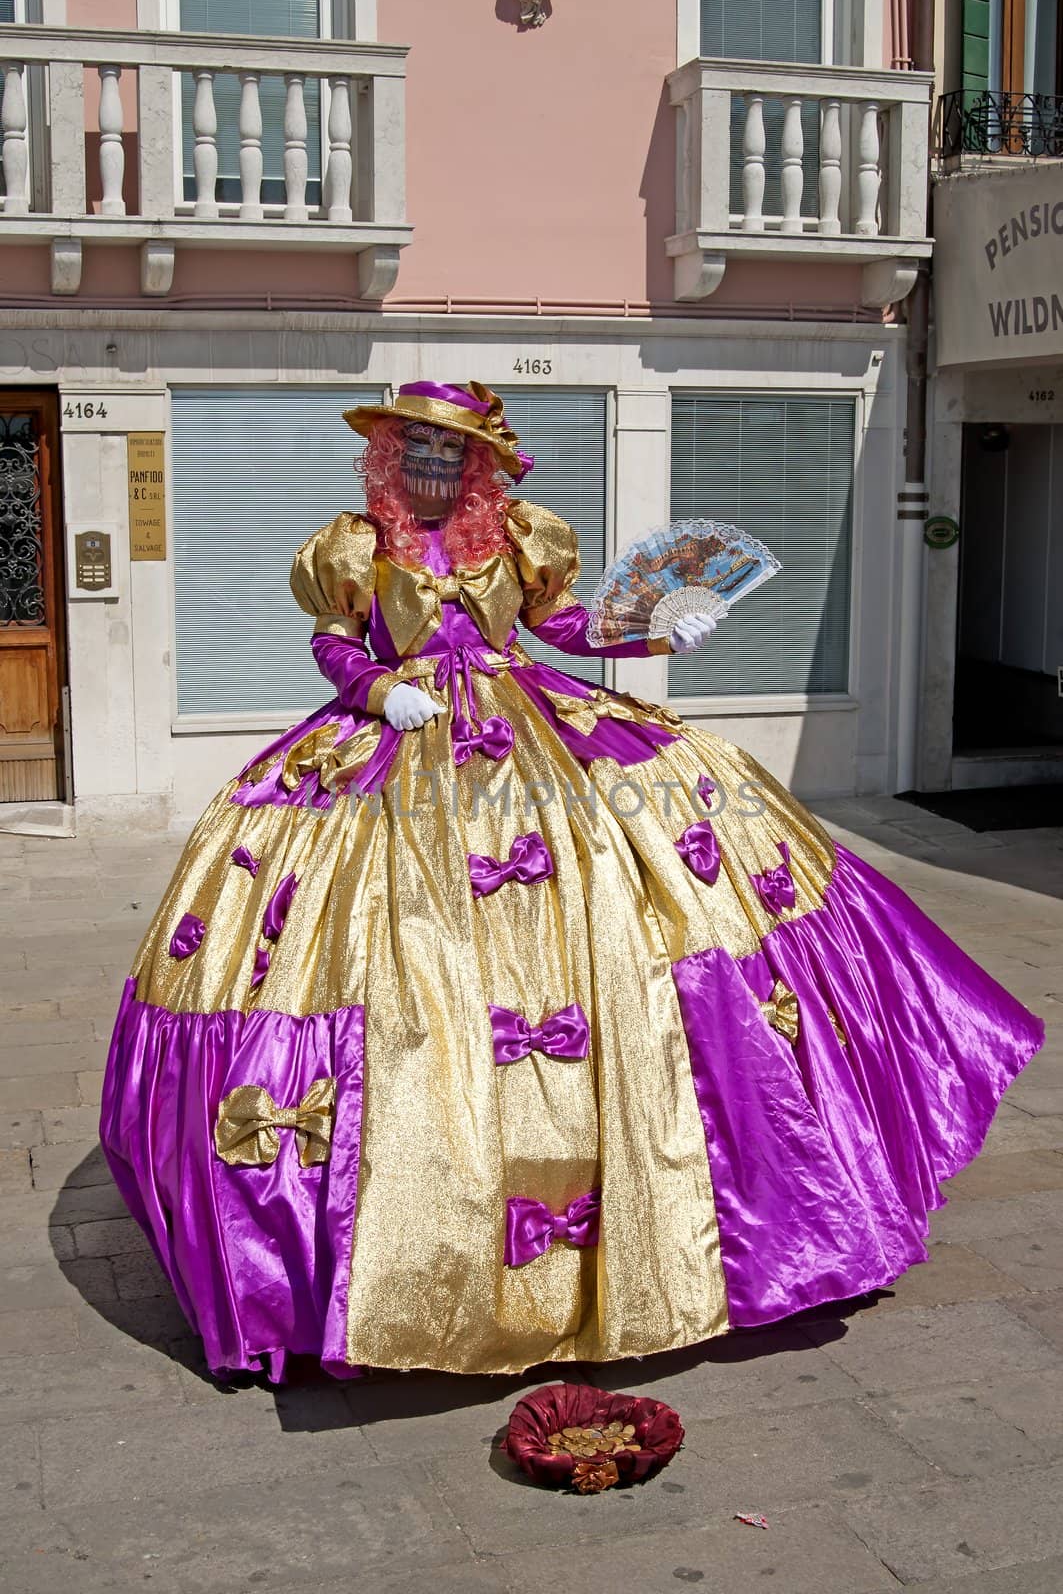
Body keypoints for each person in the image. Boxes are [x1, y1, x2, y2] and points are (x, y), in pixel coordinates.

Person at [101, 380, 1043, 1384]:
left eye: (447, 451)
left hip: (537, 732)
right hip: (400, 743)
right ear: (387, 456)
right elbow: (332, 642)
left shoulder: (518, 537)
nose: (428, 464)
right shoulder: (350, 546)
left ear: (477, 465)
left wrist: (645, 632)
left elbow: (562, 630)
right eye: (413, 446)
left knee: (669, 841)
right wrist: (378, 685)